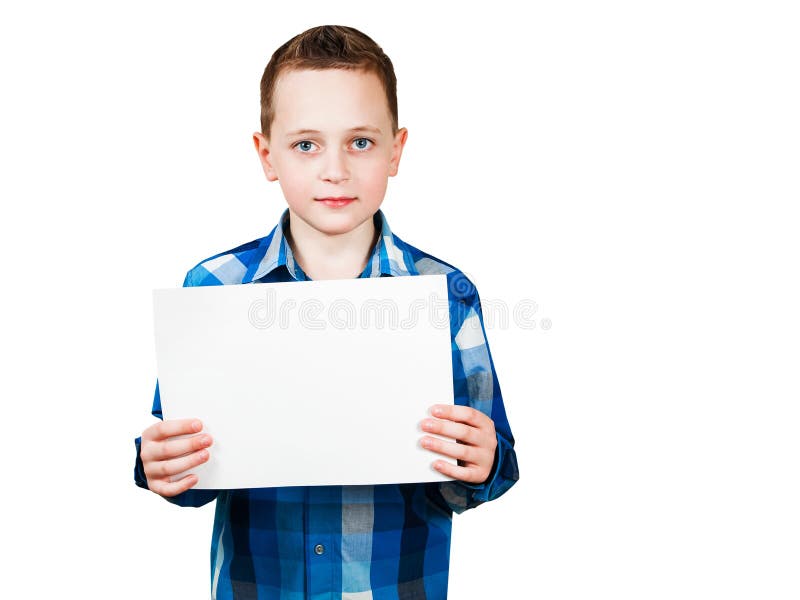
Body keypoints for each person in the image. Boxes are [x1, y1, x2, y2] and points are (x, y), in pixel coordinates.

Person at [134, 24, 519, 600]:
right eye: (306, 144)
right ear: (267, 155)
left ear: (396, 150)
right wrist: (161, 466)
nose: (334, 169)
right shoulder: (215, 287)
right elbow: (190, 469)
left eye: (360, 142)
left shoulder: (445, 292)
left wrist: (481, 463)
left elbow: (486, 472)